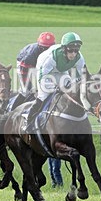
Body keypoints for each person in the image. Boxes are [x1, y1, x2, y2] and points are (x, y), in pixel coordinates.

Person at [16, 32, 63, 186]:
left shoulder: (55, 54)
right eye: (43, 48)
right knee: (26, 92)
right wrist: (30, 90)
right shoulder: (31, 54)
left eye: (48, 48)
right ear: (39, 46)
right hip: (25, 66)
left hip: (43, 68)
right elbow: (26, 75)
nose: (45, 50)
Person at [24, 32, 85, 133]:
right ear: (64, 48)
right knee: (44, 95)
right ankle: (28, 122)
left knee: (70, 91)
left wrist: (74, 83)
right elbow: (42, 77)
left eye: (76, 50)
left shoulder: (79, 58)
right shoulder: (51, 57)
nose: (73, 54)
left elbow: (82, 75)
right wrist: (53, 87)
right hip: (45, 72)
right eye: (70, 50)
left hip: (61, 71)